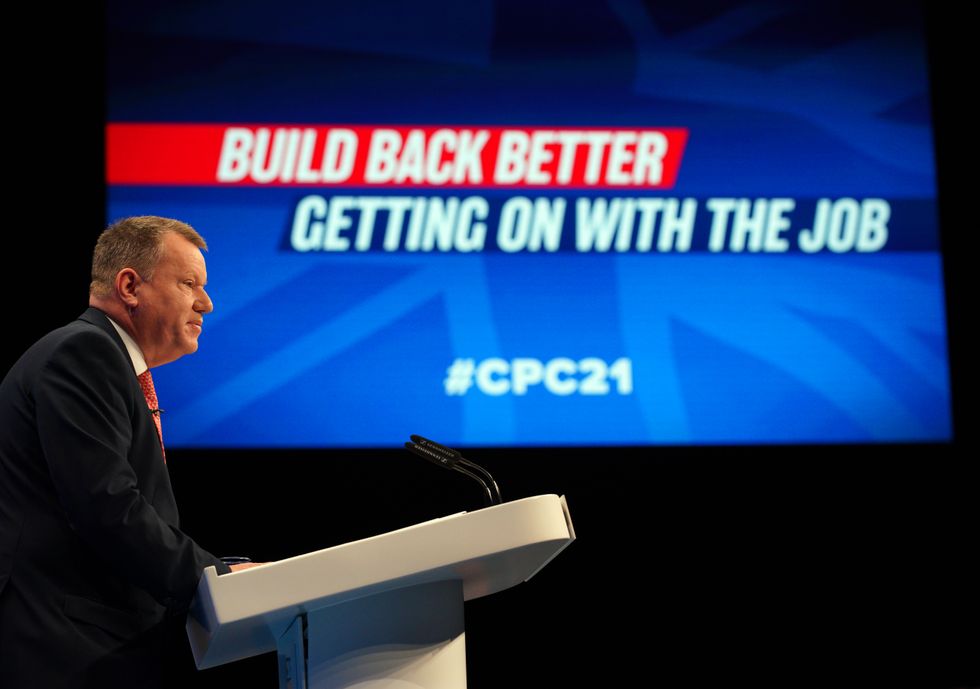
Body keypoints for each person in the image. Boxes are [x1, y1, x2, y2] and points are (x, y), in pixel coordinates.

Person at [0, 216, 260, 688]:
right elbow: (107, 507)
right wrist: (214, 578)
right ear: (129, 286)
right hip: (67, 649)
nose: (207, 302)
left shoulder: (105, 360)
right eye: (189, 284)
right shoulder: (84, 353)